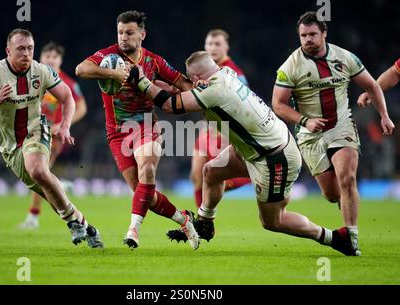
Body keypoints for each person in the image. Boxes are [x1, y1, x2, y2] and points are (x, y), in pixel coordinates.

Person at [133, 50, 360, 256]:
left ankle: (335, 238)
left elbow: (170, 105)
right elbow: (188, 92)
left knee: (273, 221)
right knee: (211, 172)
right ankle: (205, 223)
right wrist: (167, 85)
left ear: (196, 78)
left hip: (274, 158)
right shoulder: (226, 73)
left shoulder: (214, 90)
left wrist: (142, 82)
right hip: (256, 147)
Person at [0, 29, 103, 249]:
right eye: (21, 49)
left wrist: (64, 125)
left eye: (30, 48)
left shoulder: (42, 71)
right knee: (47, 190)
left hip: (37, 130)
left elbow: (68, 98)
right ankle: (82, 223)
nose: (27, 53)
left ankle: (73, 223)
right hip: (10, 146)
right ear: (8, 51)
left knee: (38, 170)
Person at [271, 12, 395, 256]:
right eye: (303, 35)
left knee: (347, 178)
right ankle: (346, 204)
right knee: (330, 193)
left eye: (312, 34)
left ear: (324, 33)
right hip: (310, 135)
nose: (307, 39)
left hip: (341, 126)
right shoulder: (290, 67)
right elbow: (278, 104)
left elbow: (372, 85)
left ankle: (351, 237)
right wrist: (305, 120)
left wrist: (384, 115)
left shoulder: (345, 57)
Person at [75, 11, 199, 250]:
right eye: (120, 32)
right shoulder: (109, 56)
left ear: (142, 34)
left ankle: (133, 230)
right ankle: (184, 219)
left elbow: (184, 84)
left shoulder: (154, 61)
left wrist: (194, 86)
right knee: (144, 195)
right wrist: (112, 73)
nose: (123, 37)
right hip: (117, 132)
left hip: (145, 125)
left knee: (148, 170)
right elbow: (81, 69)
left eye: (129, 33)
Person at [19, 42, 87, 230]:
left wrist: (64, 124)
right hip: (31, 131)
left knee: (39, 173)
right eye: (47, 55)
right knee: (36, 173)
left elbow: (81, 107)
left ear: (60, 61)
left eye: (54, 56)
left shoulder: (68, 83)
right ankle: (61, 185)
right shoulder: (31, 78)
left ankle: (33, 217)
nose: (50, 59)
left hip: (53, 135)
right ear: (40, 58)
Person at [190, 29, 251, 209]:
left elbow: (243, 106)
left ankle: (251, 177)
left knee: (215, 177)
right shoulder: (206, 71)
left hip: (223, 133)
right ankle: (201, 225)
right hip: (207, 131)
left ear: (226, 47)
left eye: (217, 44)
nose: (213, 48)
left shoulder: (234, 73)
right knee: (196, 176)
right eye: (209, 44)